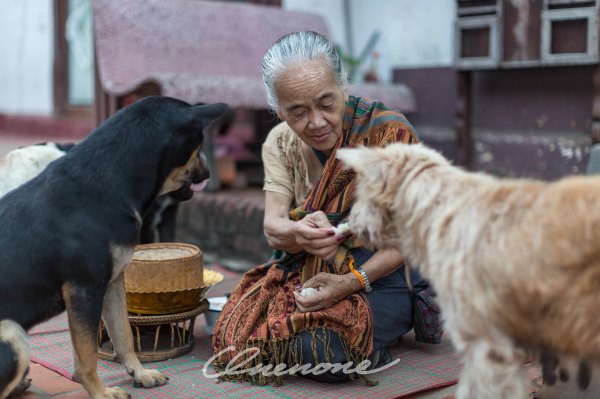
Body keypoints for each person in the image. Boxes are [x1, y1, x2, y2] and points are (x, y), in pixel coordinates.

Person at [211, 31, 429, 385]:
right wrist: (299, 232)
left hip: (384, 273)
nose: (315, 122)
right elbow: (273, 227)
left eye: (327, 104)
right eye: (297, 112)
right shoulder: (280, 143)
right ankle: (361, 335)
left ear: (344, 88)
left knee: (325, 354)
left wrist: (349, 283)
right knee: (235, 327)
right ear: (278, 110)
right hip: (308, 269)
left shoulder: (389, 134)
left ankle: (373, 343)